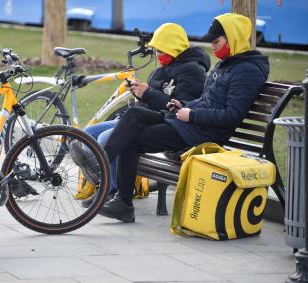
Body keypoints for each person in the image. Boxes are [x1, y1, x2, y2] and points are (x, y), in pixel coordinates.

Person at [92, 13, 270, 222]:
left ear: (234, 38)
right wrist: (183, 105)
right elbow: (206, 100)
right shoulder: (226, 65)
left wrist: (192, 115)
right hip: (191, 124)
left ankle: (116, 193)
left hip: (203, 133)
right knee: (134, 114)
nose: (212, 47)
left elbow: (231, 116)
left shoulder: (246, 70)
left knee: (131, 140)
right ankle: (109, 181)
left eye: (216, 42)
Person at [77, 23, 210, 208]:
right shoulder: (163, 68)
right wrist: (139, 92)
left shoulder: (193, 71)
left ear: (174, 49)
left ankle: (109, 191)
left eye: (161, 50)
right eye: (155, 51)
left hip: (162, 123)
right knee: (89, 133)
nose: (157, 55)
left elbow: (179, 109)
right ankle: (99, 174)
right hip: (143, 116)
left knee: (106, 138)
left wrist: (147, 93)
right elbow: (151, 99)